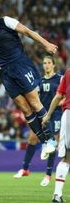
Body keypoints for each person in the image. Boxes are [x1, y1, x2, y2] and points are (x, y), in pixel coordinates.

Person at [0, 0, 59, 159]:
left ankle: (51, 140)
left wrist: (45, 43)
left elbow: (27, 31)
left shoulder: (5, 21)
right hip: (5, 73)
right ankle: (45, 142)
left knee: (34, 103)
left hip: (19, 63)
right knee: (24, 108)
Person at [13, 56, 63, 186]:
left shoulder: (60, 79)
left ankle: (47, 175)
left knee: (53, 142)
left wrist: (57, 104)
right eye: (44, 63)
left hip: (56, 114)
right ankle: (25, 169)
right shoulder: (39, 81)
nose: (46, 65)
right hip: (42, 114)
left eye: (48, 63)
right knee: (32, 138)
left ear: (53, 65)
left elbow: (65, 97)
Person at [42, 68, 70, 203]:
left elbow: (59, 95)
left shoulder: (68, 72)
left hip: (67, 115)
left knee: (67, 157)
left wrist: (48, 115)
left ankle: (57, 194)